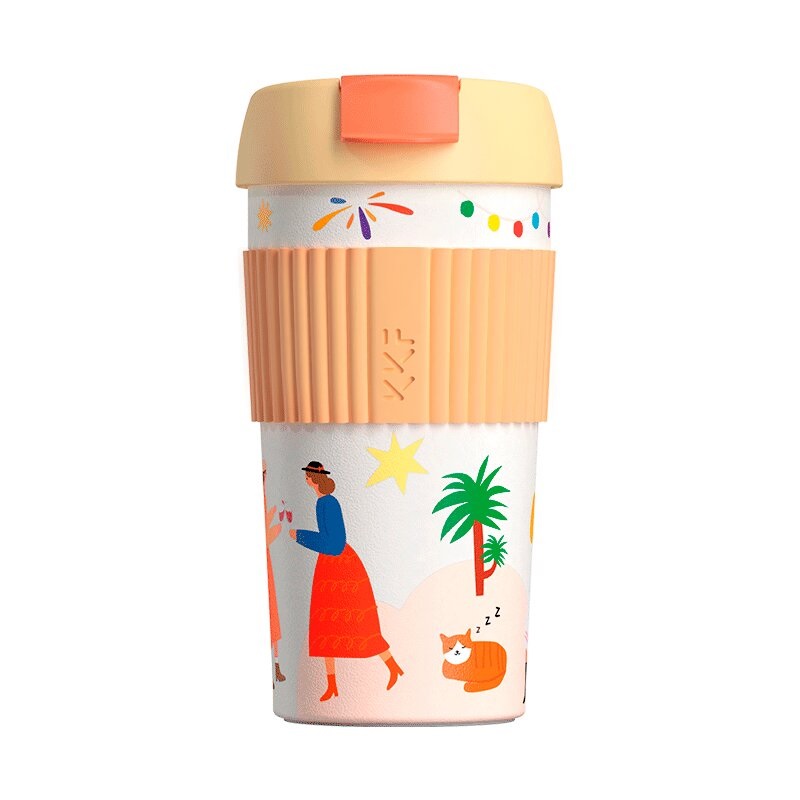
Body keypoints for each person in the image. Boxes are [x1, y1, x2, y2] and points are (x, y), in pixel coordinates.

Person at [289, 461, 403, 701]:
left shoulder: (327, 504)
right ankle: (333, 684)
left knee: (353, 624)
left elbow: (334, 543)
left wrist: (300, 536)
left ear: (312, 479)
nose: (305, 479)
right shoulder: (323, 502)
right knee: (326, 628)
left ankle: (392, 666)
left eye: (307, 476)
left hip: (339, 568)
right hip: (331, 566)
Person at [262, 462, 285, 684]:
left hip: (270, 556)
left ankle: (276, 665)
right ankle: (275, 666)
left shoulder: (268, 496)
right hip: (269, 556)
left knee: (274, 615)